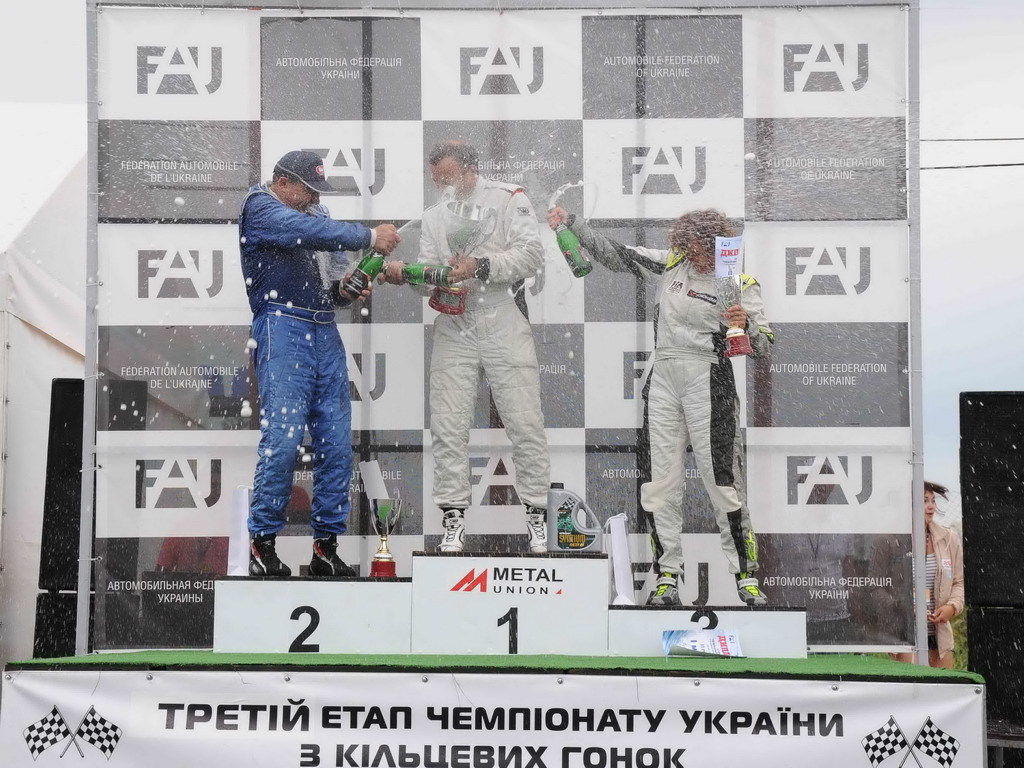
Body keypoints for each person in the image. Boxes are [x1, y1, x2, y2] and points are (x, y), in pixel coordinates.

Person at [547, 207, 773, 606]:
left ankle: (746, 577)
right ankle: (667, 576)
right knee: (659, 486)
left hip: (711, 380)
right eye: (689, 246)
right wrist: (573, 224)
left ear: (717, 244)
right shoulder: (671, 264)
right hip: (665, 378)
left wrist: (747, 324)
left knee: (724, 486)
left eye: (702, 247)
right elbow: (616, 253)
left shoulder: (738, 280)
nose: (695, 254)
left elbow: (764, 345)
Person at [381, 141, 550, 553]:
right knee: (448, 426)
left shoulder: (508, 198)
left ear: (471, 170)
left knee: (525, 423)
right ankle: (453, 519)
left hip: (502, 315)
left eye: (449, 178)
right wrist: (410, 275)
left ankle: (537, 515)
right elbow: (429, 277)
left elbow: (532, 255)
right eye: (437, 180)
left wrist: (481, 266)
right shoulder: (435, 214)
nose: (443, 186)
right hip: (454, 323)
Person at [240, 150, 400, 577]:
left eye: (317, 192)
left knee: (336, 443)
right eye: (307, 190)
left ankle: (325, 548)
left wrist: (348, 288)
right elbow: (303, 231)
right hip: (281, 326)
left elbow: (334, 291)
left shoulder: (317, 215)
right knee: (284, 439)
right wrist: (369, 236)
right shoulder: (260, 207)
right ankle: (262, 545)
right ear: (282, 183)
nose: (314, 199)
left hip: (324, 329)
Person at [892, 481, 965, 668]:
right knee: (911, 685)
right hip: (906, 634)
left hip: (939, 635)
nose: (931, 506)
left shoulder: (949, 539)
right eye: (924, 501)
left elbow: (958, 583)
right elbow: (883, 588)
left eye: (933, 500)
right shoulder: (893, 542)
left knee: (943, 684)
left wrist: (952, 607)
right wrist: (907, 606)